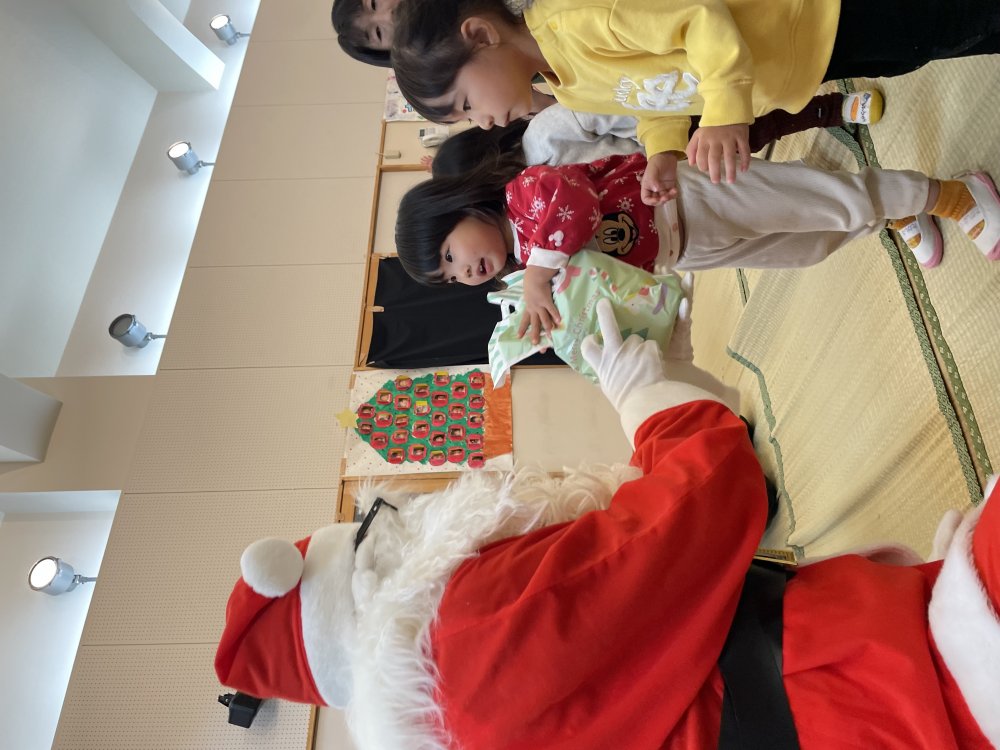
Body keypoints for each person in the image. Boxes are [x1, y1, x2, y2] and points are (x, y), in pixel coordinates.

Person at [215, 299, 1000, 750]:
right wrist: (651, 402)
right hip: (877, 685)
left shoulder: (448, 718)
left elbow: (636, 610)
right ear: (367, 570)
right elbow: (702, 512)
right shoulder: (462, 625)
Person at [390, 0, 1000, 205]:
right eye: (466, 120)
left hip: (810, 18)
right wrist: (662, 150)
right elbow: (653, 98)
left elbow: (699, 17)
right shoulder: (566, 86)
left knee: (946, 19)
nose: (481, 122)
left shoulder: (578, 19)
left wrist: (727, 109)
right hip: (799, 61)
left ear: (481, 34)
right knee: (928, 47)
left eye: (465, 103)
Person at [395, 140, 1000, 342]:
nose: (463, 272)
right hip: (685, 252)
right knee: (807, 244)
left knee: (817, 199)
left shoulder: (524, 194)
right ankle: (891, 216)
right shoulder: (528, 270)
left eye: (449, 254)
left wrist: (537, 277)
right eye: (450, 278)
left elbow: (574, 208)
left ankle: (955, 195)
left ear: (458, 208)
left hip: (686, 198)